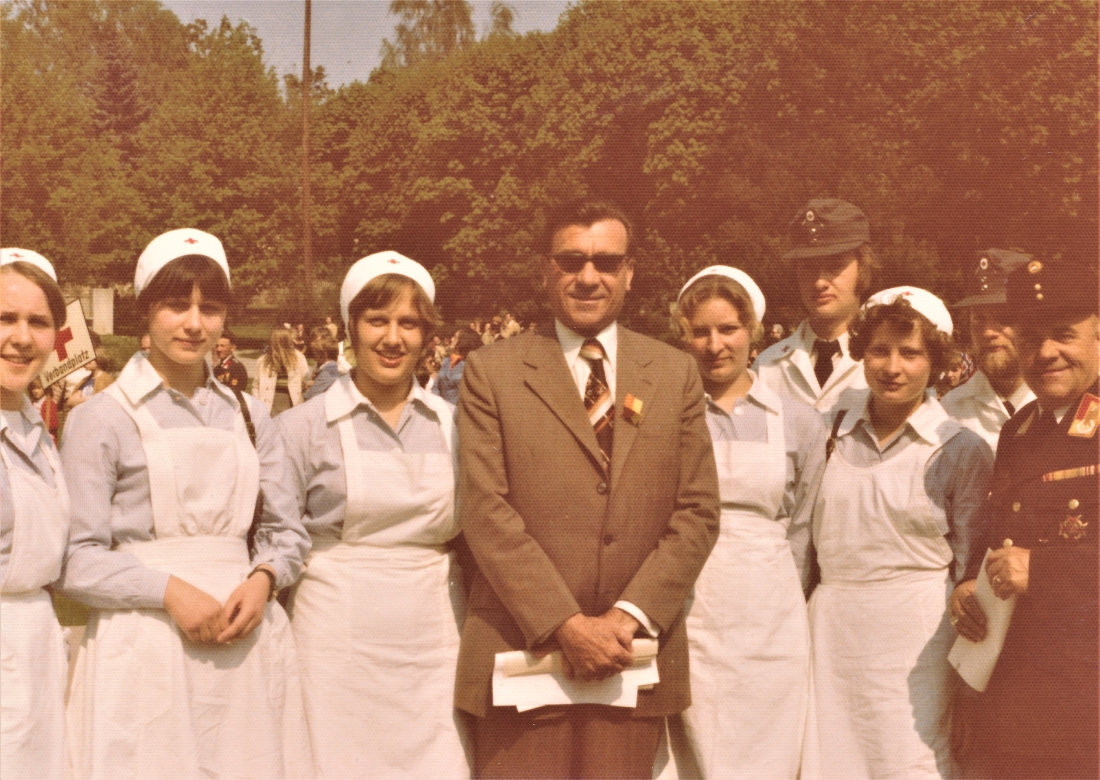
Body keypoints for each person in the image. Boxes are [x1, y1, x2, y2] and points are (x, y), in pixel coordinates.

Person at [455, 197, 720, 778]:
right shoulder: (492, 372)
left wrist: (626, 618)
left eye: (605, 261)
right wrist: (565, 625)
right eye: (571, 260)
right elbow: (484, 509)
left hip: (631, 660)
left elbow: (698, 512)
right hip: (522, 652)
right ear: (545, 270)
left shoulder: (673, 372)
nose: (588, 276)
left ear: (629, 272)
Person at [56, 228, 312, 779]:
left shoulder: (250, 415)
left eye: (210, 308)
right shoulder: (100, 418)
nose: (194, 324)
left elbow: (288, 531)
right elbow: (75, 558)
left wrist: (265, 578)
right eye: (176, 306)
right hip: (145, 643)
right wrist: (168, 591)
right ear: (145, 314)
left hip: (247, 640)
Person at [278, 252, 469, 778]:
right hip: (334, 636)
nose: (392, 338)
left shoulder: (459, 427)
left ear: (426, 334)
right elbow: (278, 537)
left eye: (408, 323)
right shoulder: (300, 428)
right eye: (377, 320)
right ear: (350, 328)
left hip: (434, 634)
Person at [802, 287, 993, 779]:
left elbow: (973, 575)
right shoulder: (825, 432)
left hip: (921, 641)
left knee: (911, 763)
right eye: (879, 350)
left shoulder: (961, 448)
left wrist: (970, 683)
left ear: (936, 362)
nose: (892, 367)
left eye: (910, 353)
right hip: (831, 636)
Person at [659, 267, 827, 779]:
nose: (715, 345)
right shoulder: (666, 414)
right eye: (700, 332)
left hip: (770, 613)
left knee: (768, 748)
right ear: (683, 336)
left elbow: (803, 525)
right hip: (690, 601)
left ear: (753, 331)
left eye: (728, 329)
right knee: (698, 744)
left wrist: (776, 591)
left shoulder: (797, 419)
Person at [949, 260, 1098, 779]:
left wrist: (1044, 572)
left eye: (1064, 335)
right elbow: (1002, 541)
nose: (1047, 353)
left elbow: (1033, 564)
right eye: (1032, 338)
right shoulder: (1019, 432)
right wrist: (970, 585)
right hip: (1018, 700)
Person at [0, 248, 71, 779]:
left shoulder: (33, 427)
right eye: (5, 318)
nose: (22, 338)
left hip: (39, 646)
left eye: (38, 322)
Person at [755, 199, 878, 414]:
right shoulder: (767, 367)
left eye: (834, 266)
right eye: (808, 268)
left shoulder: (888, 363)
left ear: (863, 268)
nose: (819, 282)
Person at [941, 249, 1036, 452]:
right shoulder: (950, 411)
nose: (987, 332)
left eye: (1003, 318)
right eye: (978, 319)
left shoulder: (1062, 400)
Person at [256, 325, 309, 415]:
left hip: (292, 401)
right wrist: (258, 406)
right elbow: (256, 386)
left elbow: (307, 380)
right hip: (271, 402)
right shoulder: (263, 360)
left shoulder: (298, 357)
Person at [433, 329, 481, 404]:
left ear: (464, 341)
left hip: (459, 412)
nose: (451, 339)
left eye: (455, 337)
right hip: (440, 409)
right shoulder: (446, 361)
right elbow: (436, 386)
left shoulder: (470, 365)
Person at [303, 326, 340, 401]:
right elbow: (307, 378)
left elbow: (309, 396)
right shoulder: (319, 364)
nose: (312, 343)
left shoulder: (330, 369)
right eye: (312, 340)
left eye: (316, 340)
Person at [29, 377, 60, 444]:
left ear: (45, 389)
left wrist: (42, 423)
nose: (36, 391)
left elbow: (55, 424)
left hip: (47, 436)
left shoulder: (50, 404)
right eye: (33, 388)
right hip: (33, 436)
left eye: (39, 388)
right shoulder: (31, 404)